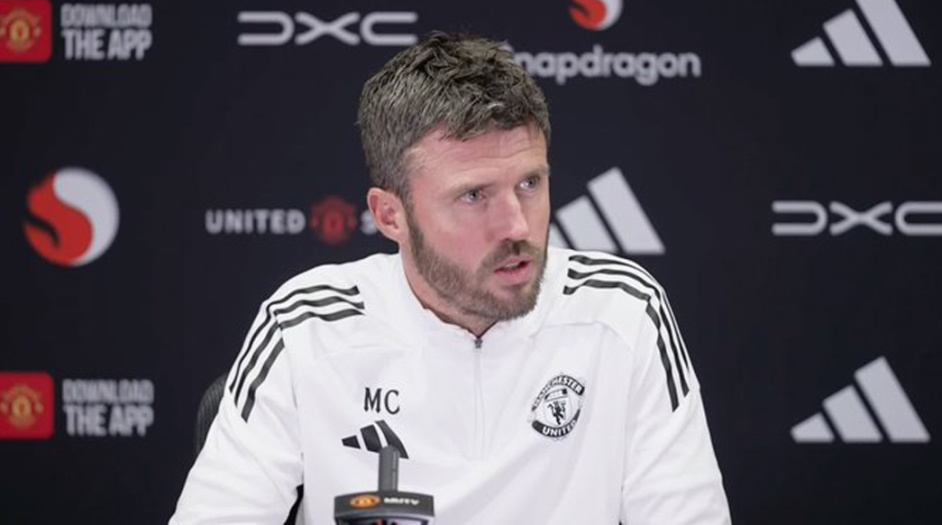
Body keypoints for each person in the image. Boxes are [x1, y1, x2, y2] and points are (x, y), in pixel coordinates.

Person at [171, 32, 730, 524]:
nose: (517, 225)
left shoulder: (623, 312)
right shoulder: (306, 328)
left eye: (530, 184)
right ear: (391, 215)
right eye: (474, 195)